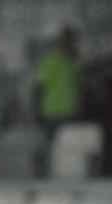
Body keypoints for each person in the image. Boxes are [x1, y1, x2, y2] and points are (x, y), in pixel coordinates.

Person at [33, 26, 81, 176]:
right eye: (68, 41)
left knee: (66, 147)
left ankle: (59, 174)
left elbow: (77, 87)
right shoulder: (51, 62)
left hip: (69, 112)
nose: (71, 45)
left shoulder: (73, 64)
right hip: (52, 112)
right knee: (49, 145)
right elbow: (39, 87)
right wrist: (37, 110)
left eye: (72, 41)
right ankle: (43, 175)